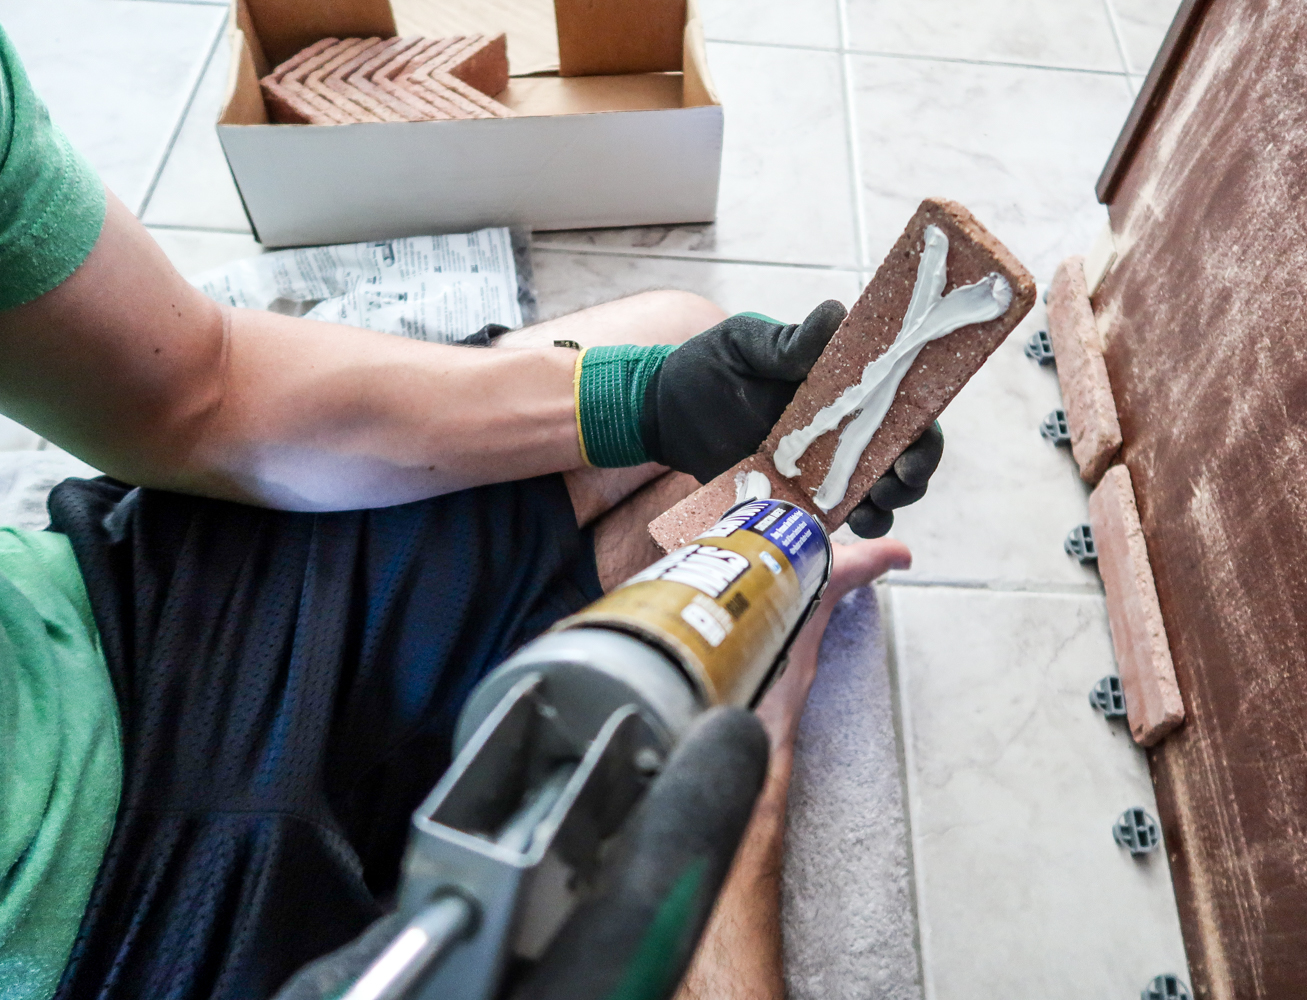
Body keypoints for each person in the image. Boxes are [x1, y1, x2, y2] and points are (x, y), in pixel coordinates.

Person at [0, 19, 939, 1000]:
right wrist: (756, 776)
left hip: (136, 638)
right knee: (674, 870)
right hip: (129, 960)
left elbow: (199, 388)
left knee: (684, 351)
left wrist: (647, 402)